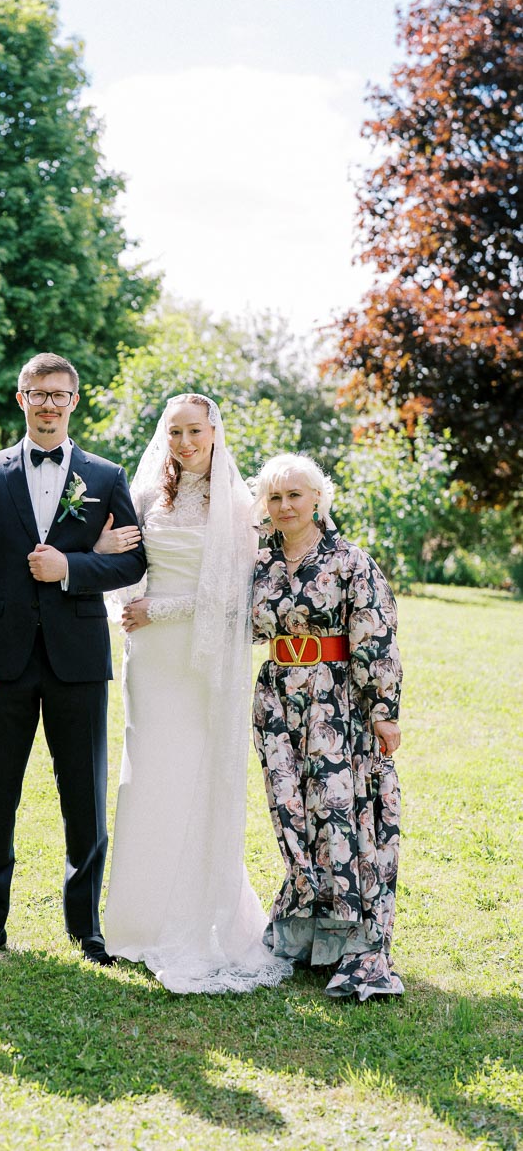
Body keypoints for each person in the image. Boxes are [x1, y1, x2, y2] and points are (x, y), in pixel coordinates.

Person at [0, 352, 147, 966]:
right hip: (1, 662)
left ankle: (85, 927)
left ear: (74, 402)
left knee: (84, 797)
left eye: (60, 395)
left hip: (78, 659)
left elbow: (134, 561)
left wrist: (73, 568)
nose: (49, 404)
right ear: (21, 399)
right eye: (38, 394)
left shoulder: (105, 475)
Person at [103, 394, 291, 994]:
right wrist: (126, 601)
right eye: (175, 432)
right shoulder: (145, 497)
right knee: (149, 774)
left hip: (200, 657)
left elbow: (236, 599)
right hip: (151, 660)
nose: (185, 442)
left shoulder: (238, 505)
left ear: (214, 432)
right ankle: (140, 915)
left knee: (195, 776)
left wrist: (161, 608)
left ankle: (197, 913)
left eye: (194, 431)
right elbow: (124, 568)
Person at [251, 452, 403, 1000]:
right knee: (291, 813)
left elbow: (375, 634)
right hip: (275, 702)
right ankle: (311, 929)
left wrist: (383, 710)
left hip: (336, 702)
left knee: (340, 814)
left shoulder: (350, 561)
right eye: (275, 497)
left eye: (295, 494)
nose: (285, 505)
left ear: (318, 498)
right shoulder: (257, 562)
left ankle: (356, 942)